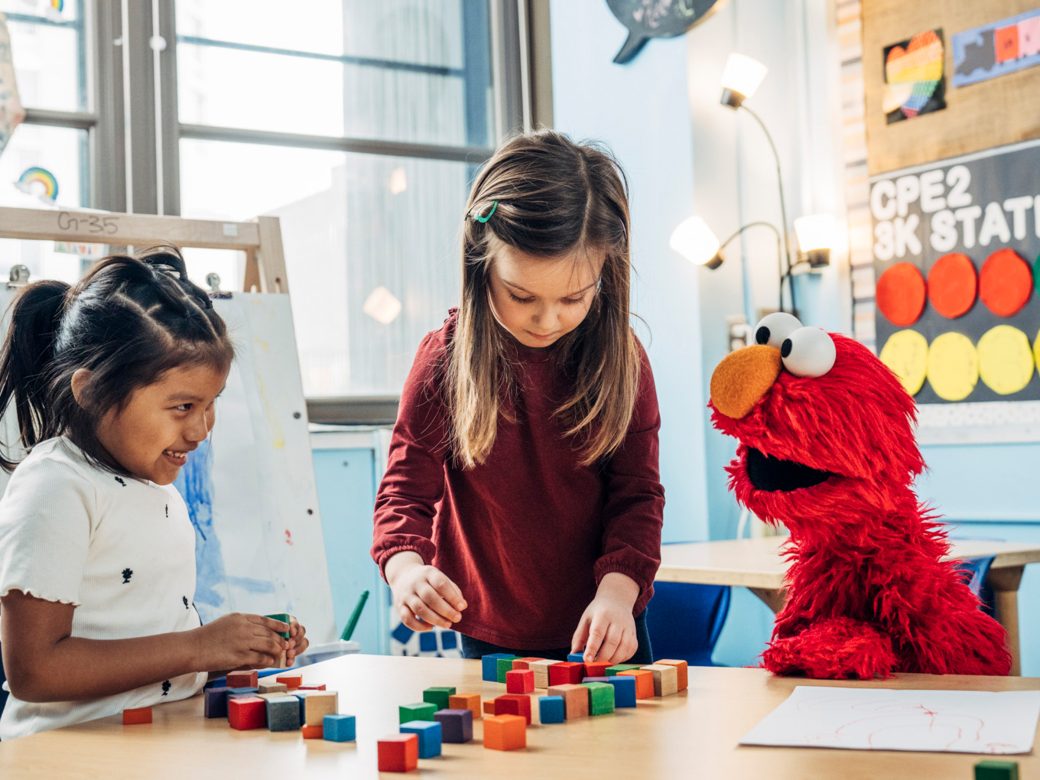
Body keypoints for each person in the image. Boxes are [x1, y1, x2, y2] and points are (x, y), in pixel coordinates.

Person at [372, 130, 664, 665]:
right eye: (522, 296)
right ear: (482, 264)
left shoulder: (623, 360)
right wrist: (406, 571)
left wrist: (618, 597)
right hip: (490, 631)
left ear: (606, 272)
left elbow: (638, 498)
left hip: (607, 622)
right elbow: (402, 496)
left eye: (573, 297)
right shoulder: (445, 361)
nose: (546, 319)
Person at [0, 249, 307, 739]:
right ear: (92, 390)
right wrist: (200, 647)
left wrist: (238, 649)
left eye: (210, 405)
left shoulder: (149, 485)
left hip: (154, 738)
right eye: (183, 406)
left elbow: (149, 657)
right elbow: (34, 671)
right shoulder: (56, 486)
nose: (202, 428)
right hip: (66, 758)